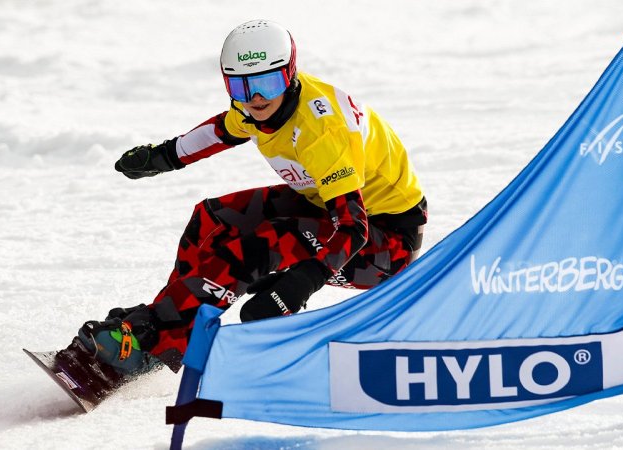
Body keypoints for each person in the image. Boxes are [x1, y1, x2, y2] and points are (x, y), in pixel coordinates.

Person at [69, 19, 427, 377]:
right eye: (241, 86)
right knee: (213, 221)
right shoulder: (255, 109)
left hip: (386, 246)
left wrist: (300, 283)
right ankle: (167, 336)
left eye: (268, 83)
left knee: (259, 246)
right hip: (325, 206)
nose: (256, 97)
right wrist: (162, 156)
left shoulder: (320, 132)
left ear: (290, 74)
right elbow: (221, 131)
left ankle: (155, 333)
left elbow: (352, 228)